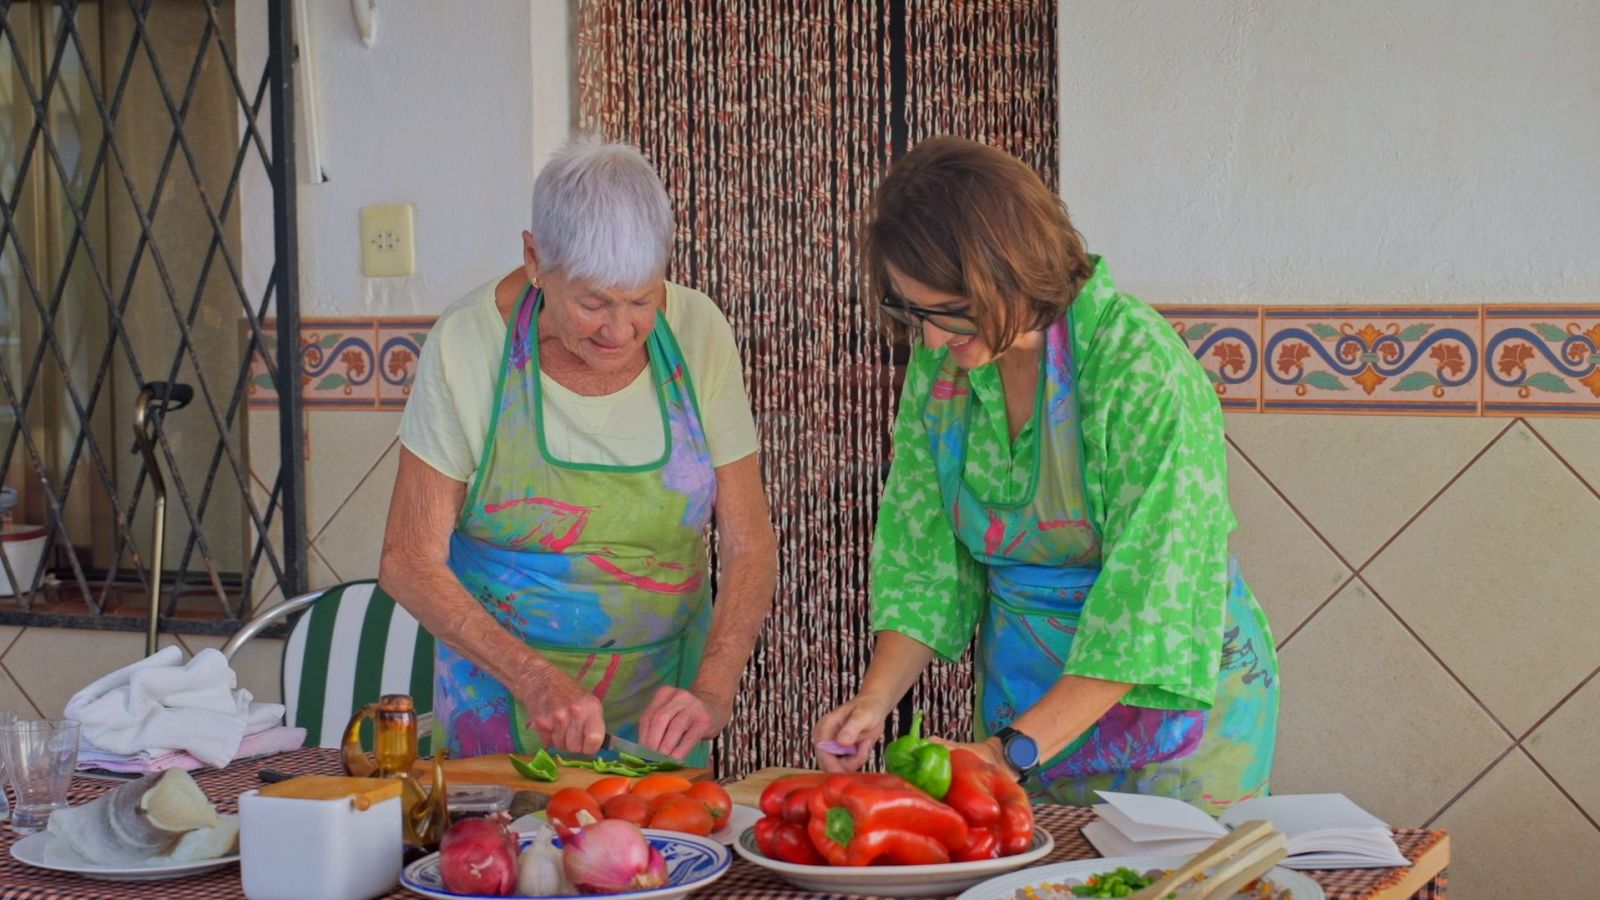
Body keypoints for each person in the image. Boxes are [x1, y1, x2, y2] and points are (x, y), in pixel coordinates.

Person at [813, 137, 1277, 812]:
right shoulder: (943, 366)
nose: (932, 339)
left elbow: (1150, 598)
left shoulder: (1140, 367)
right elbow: (923, 555)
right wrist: (874, 701)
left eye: (951, 310)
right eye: (914, 312)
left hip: (1172, 731)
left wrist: (1009, 753)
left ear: (1009, 269)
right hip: (1022, 712)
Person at [381, 136, 777, 765]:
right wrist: (534, 679)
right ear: (535, 259)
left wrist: (713, 688)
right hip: (502, 706)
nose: (620, 329)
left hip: (660, 714)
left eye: (643, 300)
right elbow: (408, 559)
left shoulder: (699, 330)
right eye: (593, 303)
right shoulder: (467, 343)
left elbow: (749, 543)